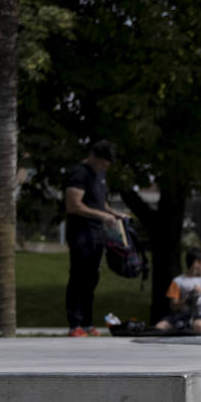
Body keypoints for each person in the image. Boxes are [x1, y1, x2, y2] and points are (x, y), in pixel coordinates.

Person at [63, 139, 129, 337]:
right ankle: (74, 323)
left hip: (97, 233)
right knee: (78, 276)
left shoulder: (99, 175)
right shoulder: (79, 173)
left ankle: (87, 322)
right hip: (81, 233)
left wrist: (114, 214)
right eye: (102, 163)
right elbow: (73, 205)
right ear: (93, 156)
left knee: (92, 277)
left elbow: (100, 202)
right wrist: (102, 216)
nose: (104, 167)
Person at [155, 248, 201, 334]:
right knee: (160, 327)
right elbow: (173, 306)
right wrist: (186, 301)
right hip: (183, 316)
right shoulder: (178, 281)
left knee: (199, 325)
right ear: (196, 263)